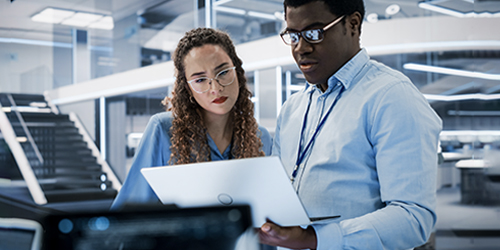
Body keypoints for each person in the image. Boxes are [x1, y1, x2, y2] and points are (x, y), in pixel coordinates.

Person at [258, 0, 442, 249]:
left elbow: (413, 218)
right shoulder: (293, 108)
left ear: (352, 25)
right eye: (293, 36)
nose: (301, 48)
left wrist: (313, 239)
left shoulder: (392, 97)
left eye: (314, 33)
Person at [111, 28, 272, 210]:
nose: (215, 88)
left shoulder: (262, 138)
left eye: (223, 72)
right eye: (200, 80)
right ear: (187, 88)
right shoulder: (163, 131)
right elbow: (128, 211)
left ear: (237, 71)